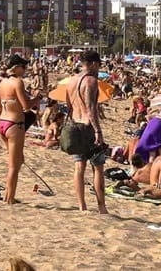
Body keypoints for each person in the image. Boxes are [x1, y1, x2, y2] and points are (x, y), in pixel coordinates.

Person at [65, 50, 107, 214]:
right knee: (98, 167)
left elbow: (68, 105)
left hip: (75, 125)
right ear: (94, 64)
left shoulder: (71, 81)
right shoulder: (90, 81)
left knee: (79, 168)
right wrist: (98, 131)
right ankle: (101, 207)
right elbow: (91, 109)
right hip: (88, 127)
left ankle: (82, 206)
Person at [0, 54, 34, 205]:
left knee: (15, 161)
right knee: (14, 166)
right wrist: (37, 98)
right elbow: (26, 106)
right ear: (16, 67)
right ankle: (9, 199)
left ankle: (8, 195)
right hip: (14, 125)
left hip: (2, 123)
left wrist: (9, 105)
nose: (25, 70)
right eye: (23, 67)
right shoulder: (18, 82)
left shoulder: (1, 83)